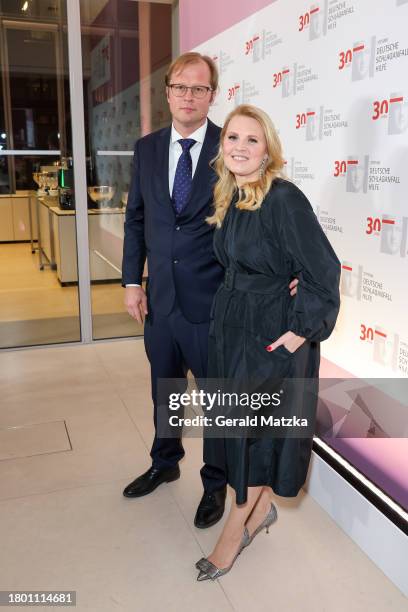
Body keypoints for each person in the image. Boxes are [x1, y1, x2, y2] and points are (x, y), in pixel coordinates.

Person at [122, 54, 298, 529]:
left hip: (214, 303)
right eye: (180, 87)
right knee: (167, 389)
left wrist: (288, 271)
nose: (188, 96)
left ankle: (215, 481)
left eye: (199, 89)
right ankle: (165, 459)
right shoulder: (148, 148)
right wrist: (130, 281)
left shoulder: (233, 146)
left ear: (211, 94)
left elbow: (260, 212)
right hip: (159, 300)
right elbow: (137, 218)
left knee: (218, 401)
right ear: (167, 92)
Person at [195, 104, 340, 580]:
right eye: (232, 137)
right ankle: (258, 513)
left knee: (257, 435)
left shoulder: (283, 198)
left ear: (268, 149)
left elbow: (323, 271)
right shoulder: (231, 196)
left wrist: (298, 333)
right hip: (234, 327)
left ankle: (231, 538)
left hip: (272, 337)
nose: (239, 146)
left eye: (251, 140)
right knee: (235, 428)